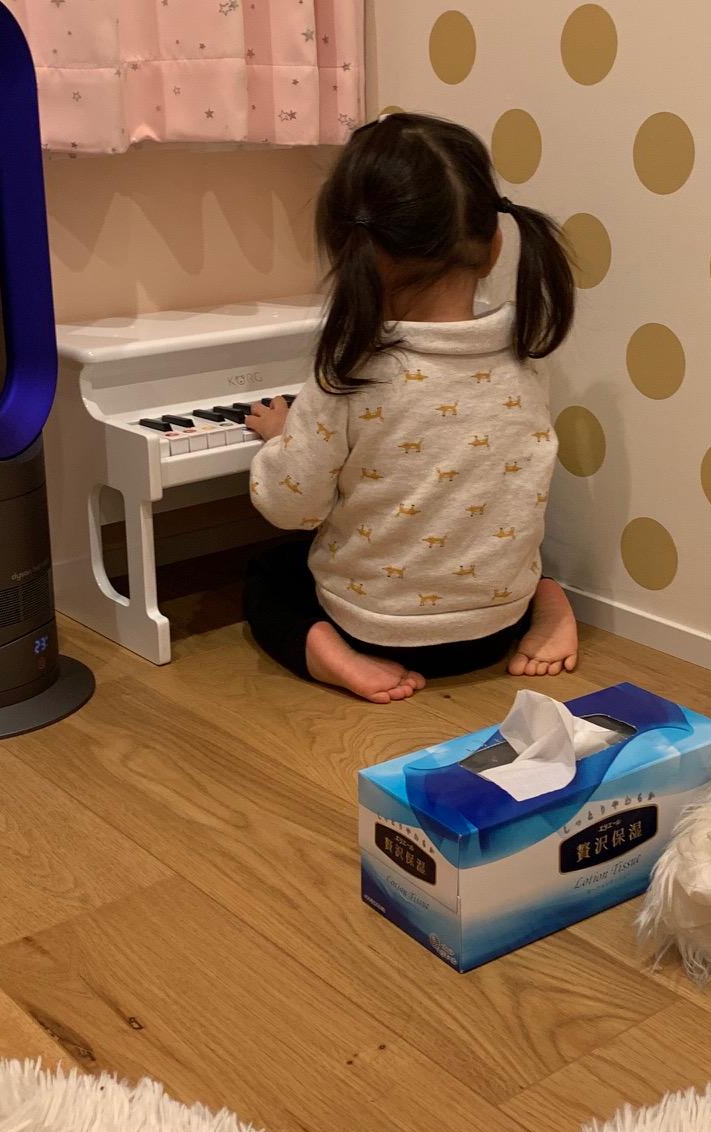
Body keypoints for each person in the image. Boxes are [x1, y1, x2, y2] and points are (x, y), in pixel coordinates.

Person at [242, 112, 581, 703]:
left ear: (353, 249)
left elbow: (292, 507)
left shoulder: (351, 369)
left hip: (378, 630)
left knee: (269, 573)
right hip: (494, 628)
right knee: (492, 536)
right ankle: (547, 600)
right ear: (495, 245)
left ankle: (328, 652)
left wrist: (281, 438)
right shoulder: (525, 354)